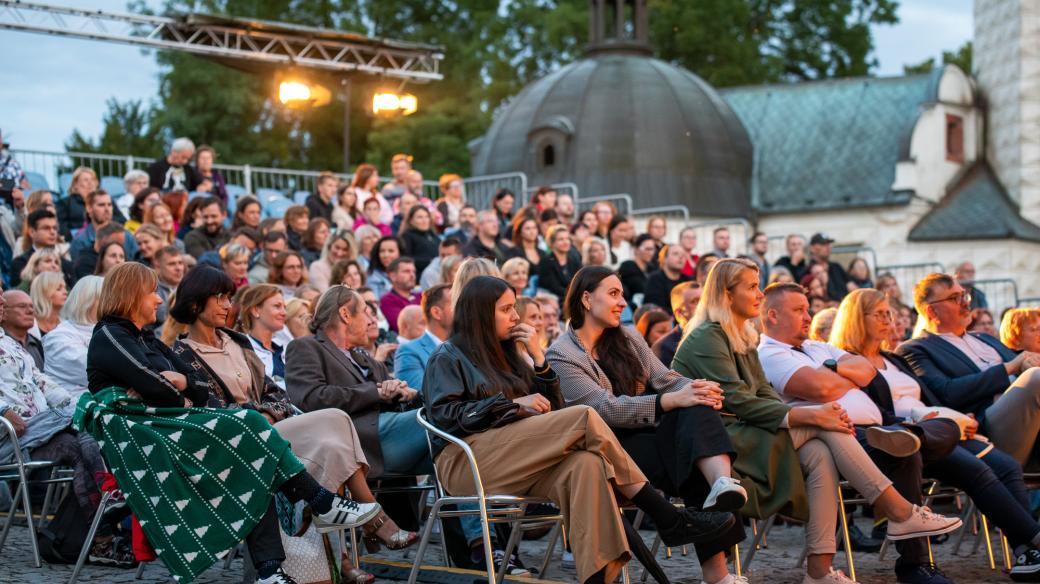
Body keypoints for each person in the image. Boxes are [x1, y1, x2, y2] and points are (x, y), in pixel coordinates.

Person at [81, 262, 382, 584]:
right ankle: (318, 503)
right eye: (152, 292)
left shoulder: (148, 340)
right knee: (249, 431)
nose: (158, 300)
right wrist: (175, 386)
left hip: (177, 427)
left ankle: (273, 566)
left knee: (254, 452)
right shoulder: (111, 334)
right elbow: (160, 389)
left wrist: (179, 383)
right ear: (131, 295)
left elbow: (195, 387)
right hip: (150, 440)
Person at [425, 275, 734, 584]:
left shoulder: (510, 356)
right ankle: (666, 516)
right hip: (466, 462)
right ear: (480, 312)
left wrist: (538, 359)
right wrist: (513, 406)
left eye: (514, 308)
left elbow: (555, 410)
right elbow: (445, 415)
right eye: (507, 309)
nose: (516, 316)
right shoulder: (448, 356)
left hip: (518, 457)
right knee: (584, 416)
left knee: (586, 465)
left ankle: (599, 578)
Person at [673, 259, 960, 584]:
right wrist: (813, 414)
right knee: (826, 427)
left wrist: (818, 410)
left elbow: (764, 394)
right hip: (716, 444)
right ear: (727, 294)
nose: (759, 293)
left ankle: (820, 571)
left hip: (746, 433)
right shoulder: (708, 336)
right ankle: (899, 512)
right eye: (752, 287)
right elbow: (740, 401)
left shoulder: (739, 335)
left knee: (821, 455)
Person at [547, 266, 747, 584]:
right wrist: (668, 401)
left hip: (649, 436)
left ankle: (723, 484)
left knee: (695, 408)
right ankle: (718, 575)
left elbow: (666, 380)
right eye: (613, 294)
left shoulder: (628, 337)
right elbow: (600, 409)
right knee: (690, 457)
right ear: (586, 299)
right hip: (608, 448)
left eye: (622, 294)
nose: (622, 302)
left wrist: (697, 388)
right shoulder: (561, 354)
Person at [757, 283, 960, 584]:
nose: (808, 316)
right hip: (843, 435)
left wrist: (833, 374)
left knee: (946, 428)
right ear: (772, 315)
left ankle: (914, 438)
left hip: (877, 429)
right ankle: (911, 549)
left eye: (808, 308)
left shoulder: (816, 347)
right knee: (903, 453)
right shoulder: (770, 353)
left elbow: (866, 370)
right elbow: (820, 389)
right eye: (798, 310)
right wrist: (845, 377)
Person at [834, 288, 1040, 581]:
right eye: (879, 313)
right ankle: (1030, 545)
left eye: (888, 313)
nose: (888, 320)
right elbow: (874, 412)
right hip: (895, 436)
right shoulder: (848, 362)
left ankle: (1028, 549)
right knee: (934, 457)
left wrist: (953, 418)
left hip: (931, 430)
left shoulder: (894, 359)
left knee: (998, 465)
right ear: (855, 318)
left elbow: (931, 399)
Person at [0, 289, 128, 566]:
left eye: (1, 294)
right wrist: (3, 410)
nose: (0, 301)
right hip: (10, 435)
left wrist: (74, 404)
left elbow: (43, 382)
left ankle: (97, 537)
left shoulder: (10, 344)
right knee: (85, 435)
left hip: (41, 427)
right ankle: (108, 513)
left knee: (86, 440)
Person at [284, 285, 432, 480]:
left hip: (393, 437)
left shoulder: (365, 358)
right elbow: (311, 398)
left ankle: (471, 508)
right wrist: (375, 392)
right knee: (448, 418)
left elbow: (393, 395)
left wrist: (407, 393)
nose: (373, 322)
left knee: (459, 447)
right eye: (365, 312)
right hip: (359, 442)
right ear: (345, 314)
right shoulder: (305, 347)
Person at [897, 273, 1040, 468]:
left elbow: (1023, 362)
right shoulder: (915, 349)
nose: (965, 303)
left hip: (1030, 419)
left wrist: (1028, 361)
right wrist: (1010, 367)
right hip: (984, 427)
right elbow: (947, 393)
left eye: (964, 295)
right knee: (1036, 378)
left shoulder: (985, 338)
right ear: (932, 312)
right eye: (955, 298)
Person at [394, 284, 451, 390]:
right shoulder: (409, 351)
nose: (462, 309)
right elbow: (420, 395)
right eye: (455, 304)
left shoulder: (465, 347)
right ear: (436, 312)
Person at [68, 189, 139, 263]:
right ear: (89, 208)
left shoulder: (127, 236)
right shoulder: (80, 242)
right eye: (101, 205)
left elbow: (138, 264)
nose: (107, 209)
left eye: (109, 204)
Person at [10, 209, 73, 288]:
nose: (52, 232)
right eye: (46, 228)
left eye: (54, 228)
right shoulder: (20, 263)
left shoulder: (67, 265)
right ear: (32, 232)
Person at [651, 281, 701, 367]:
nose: (702, 305)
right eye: (694, 301)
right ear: (679, 313)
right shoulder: (664, 347)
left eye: (704, 300)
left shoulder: (718, 334)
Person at [643, 244, 693, 315]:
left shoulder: (688, 280)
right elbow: (655, 308)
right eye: (675, 254)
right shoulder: (655, 279)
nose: (681, 257)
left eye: (683, 255)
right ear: (664, 258)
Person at [2, 289, 45, 370]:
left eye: (32, 306)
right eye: (22, 306)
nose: (30, 311)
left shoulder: (38, 344)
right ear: (3, 312)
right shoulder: (2, 344)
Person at [538, 225, 581, 303]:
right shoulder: (546, 261)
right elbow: (554, 287)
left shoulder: (573, 259)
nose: (566, 242)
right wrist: (575, 295)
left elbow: (580, 280)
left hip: (572, 298)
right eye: (561, 239)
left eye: (567, 239)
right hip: (553, 300)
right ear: (552, 242)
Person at [379, 257, 421, 334]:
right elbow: (404, 326)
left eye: (414, 272)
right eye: (406, 271)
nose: (412, 275)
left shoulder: (421, 296)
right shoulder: (387, 300)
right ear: (393, 276)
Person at [807, 233, 850, 302]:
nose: (828, 247)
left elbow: (851, 286)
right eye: (823, 244)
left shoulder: (836, 267)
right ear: (812, 248)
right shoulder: (807, 270)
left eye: (828, 244)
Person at [399, 205, 441, 275]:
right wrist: (430, 262)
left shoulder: (433, 235)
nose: (424, 220)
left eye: (426, 217)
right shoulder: (407, 236)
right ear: (411, 221)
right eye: (420, 217)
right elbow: (406, 259)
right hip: (420, 274)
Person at [618, 234, 656, 305]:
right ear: (636, 249)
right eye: (647, 249)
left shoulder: (652, 269)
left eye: (653, 249)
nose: (651, 252)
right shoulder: (627, 266)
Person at [154, 245, 183, 330]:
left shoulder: (191, 286)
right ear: (158, 267)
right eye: (172, 264)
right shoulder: (151, 288)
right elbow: (162, 316)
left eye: (180, 263)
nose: (178, 268)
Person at [30, 270, 66, 335]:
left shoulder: (67, 324)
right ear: (43, 293)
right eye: (58, 289)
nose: (65, 292)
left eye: (64, 288)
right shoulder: (29, 325)